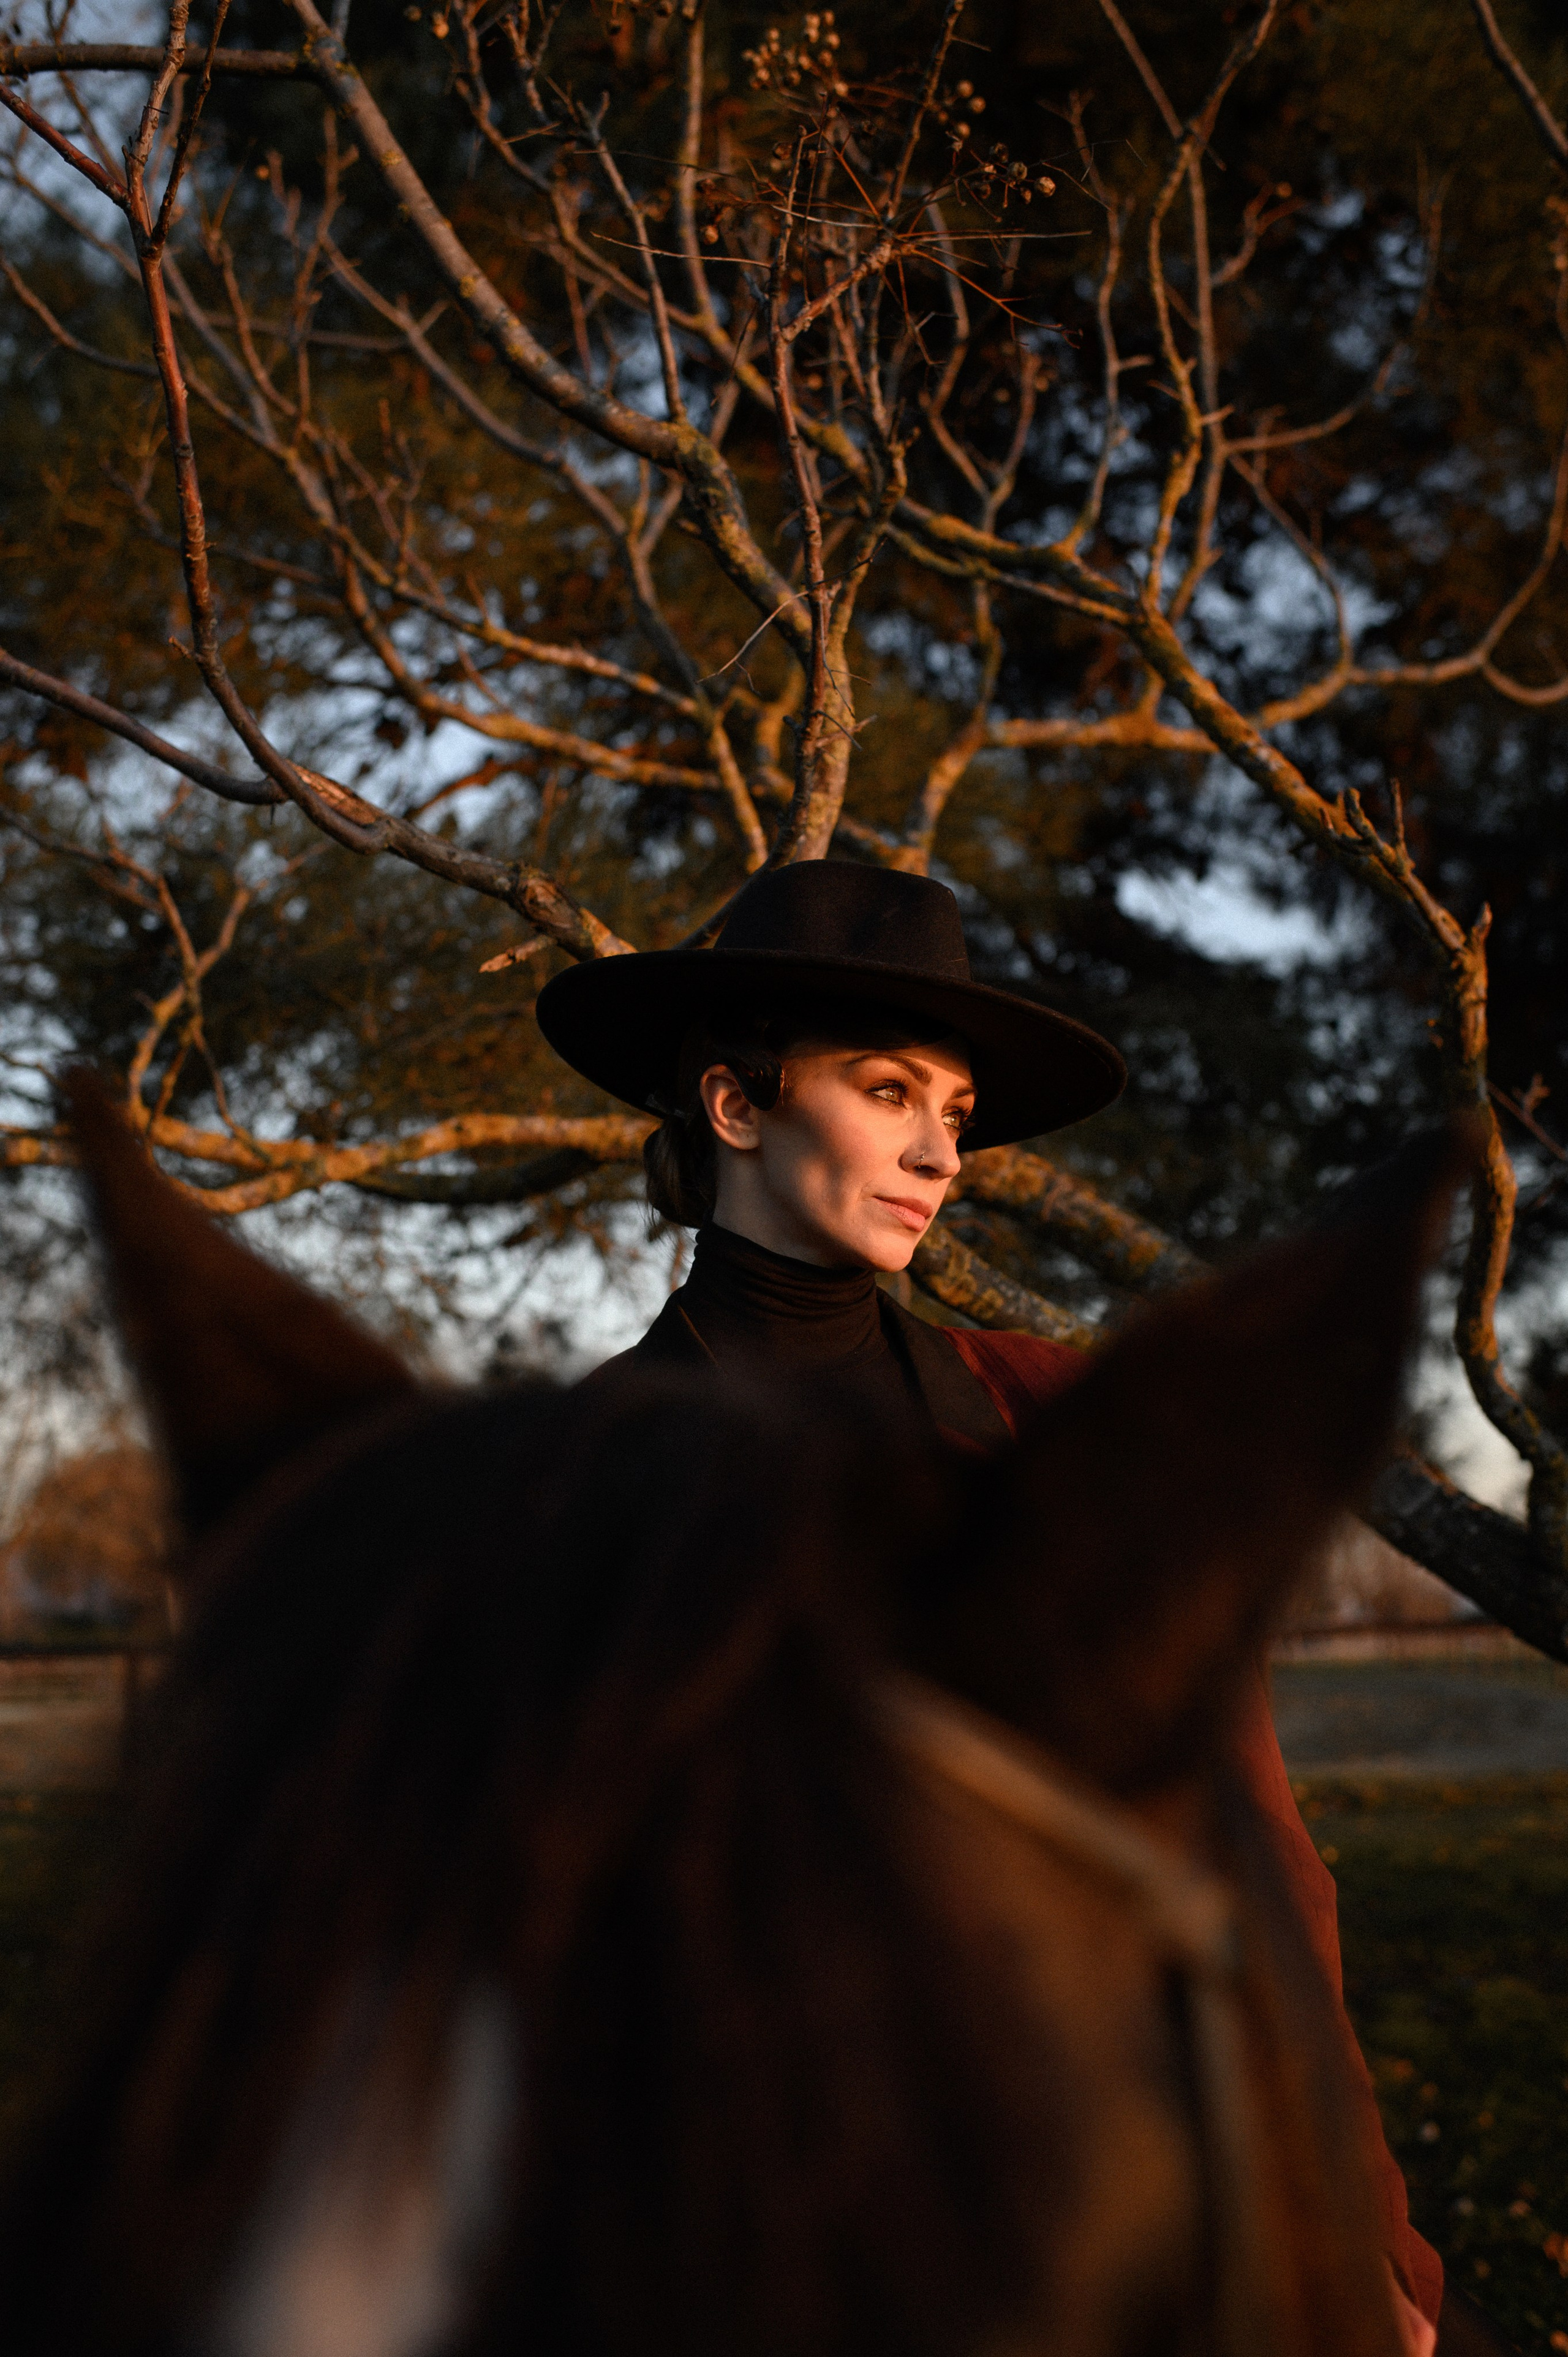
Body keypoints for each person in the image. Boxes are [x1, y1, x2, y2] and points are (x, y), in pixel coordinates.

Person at [537, 857, 1446, 2345]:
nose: (939, 1153)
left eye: (952, 1115)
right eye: (890, 1090)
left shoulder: (1055, 1425)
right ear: (734, 1104)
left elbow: (1258, 1872)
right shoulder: (577, 1484)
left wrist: (1357, 2245)